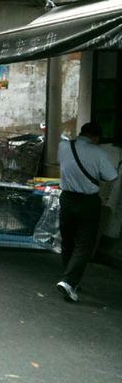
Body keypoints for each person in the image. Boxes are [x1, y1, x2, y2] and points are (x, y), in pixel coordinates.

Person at [56, 122, 118, 302]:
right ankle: (69, 281)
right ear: (96, 137)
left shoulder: (63, 146)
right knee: (84, 244)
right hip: (88, 202)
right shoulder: (98, 152)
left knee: (67, 240)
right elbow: (111, 176)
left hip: (66, 199)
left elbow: (64, 165)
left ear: (82, 133)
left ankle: (69, 279)